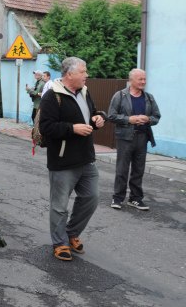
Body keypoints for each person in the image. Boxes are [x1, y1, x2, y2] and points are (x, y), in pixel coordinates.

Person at [38, 57, 106, 262]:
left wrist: (98, 118)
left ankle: (71, 232)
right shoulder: (52, 96)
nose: (87, 75)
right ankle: (60, 243)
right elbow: (46, 128)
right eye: (83, 72)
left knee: (91, 198)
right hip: (62, 160)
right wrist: (72, 128)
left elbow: (91, 114)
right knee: (59, 206)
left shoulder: (84, 92)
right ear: (70, 74)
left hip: (86, 157)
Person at [108, 68, 161, 211]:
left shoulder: (149, 97)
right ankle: (117, 198)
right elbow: (111, 116)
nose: (143, 82)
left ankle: (135, 199)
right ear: (131, 80)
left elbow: (157, 117)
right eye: (140, 79)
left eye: (144, 79)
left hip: (142, 138)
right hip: (125, 138)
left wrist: (148, 119)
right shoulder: (120, 96)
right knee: (122, 169)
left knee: (139, 170)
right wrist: (129, 119)